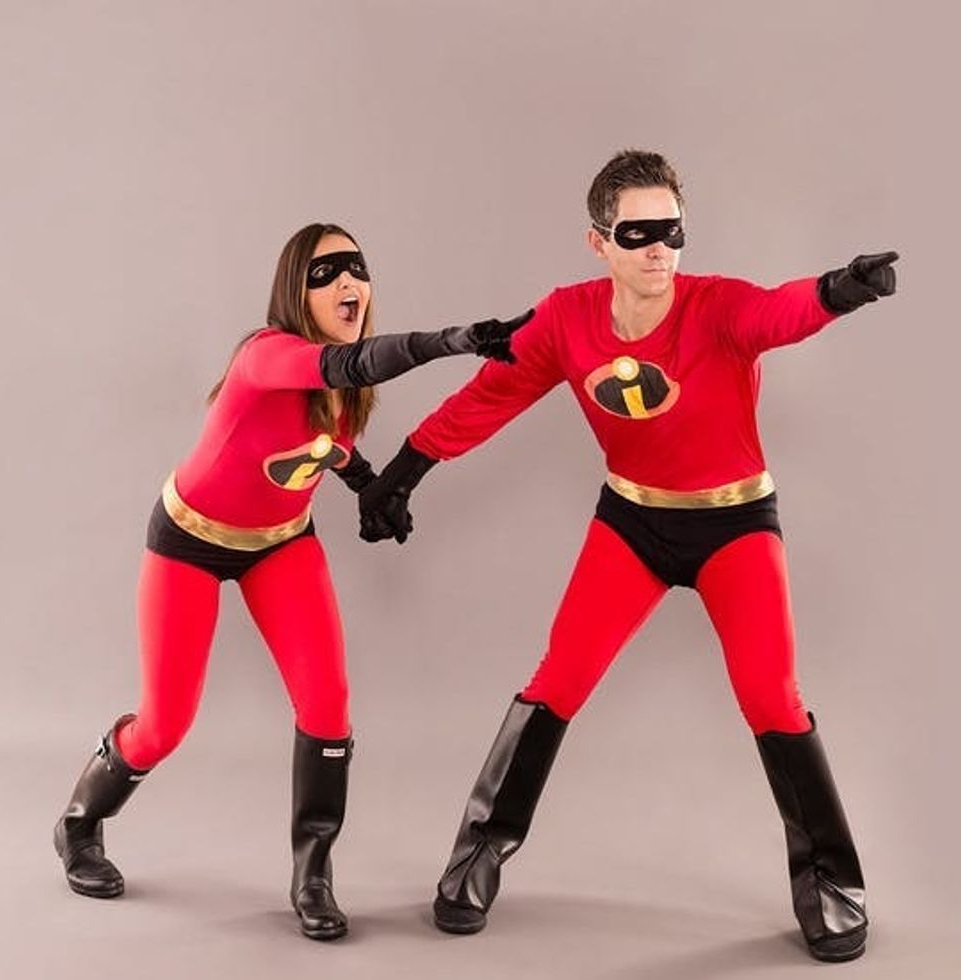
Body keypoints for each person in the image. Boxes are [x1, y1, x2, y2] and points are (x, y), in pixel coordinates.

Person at [357, 152, 897, 962]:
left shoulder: (717, 306)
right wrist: (406, 469)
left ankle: (830, 879)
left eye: (671, 231)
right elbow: (493, 393)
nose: (658, 250)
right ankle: (480, 851)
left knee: (771, 696)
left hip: (734, 525)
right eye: (637, 233)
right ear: (599, 241)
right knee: (558, 680)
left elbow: (778, 313)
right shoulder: (566, 318)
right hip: (632, 524)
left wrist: (839, 289)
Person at [53, 222, 529, 941]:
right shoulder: (266, 355)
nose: (348, 283)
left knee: (328, 706)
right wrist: (451, 341)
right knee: (166, 723)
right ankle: (79, 823)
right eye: (325, 273)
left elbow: (327, 445)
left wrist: (370, 486)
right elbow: (350, 364)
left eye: (356, 268)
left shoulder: (341, 391)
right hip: (189, 541)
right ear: (294, 294)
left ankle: (313, 875)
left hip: (281, 544)